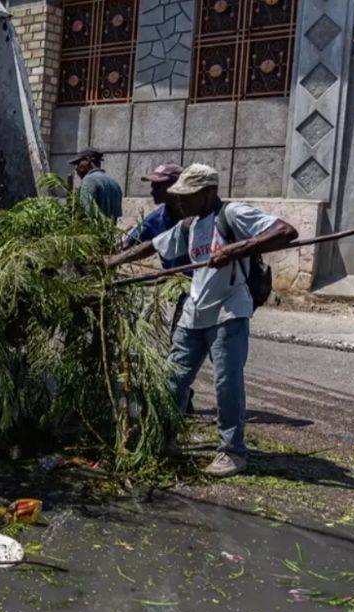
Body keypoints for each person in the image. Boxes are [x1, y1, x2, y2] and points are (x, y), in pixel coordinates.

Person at [104, 164, 297, 477]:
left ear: (207, 193)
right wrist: (112, 261)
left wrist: (237, 249)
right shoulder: (189, 225)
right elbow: (151, 245)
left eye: (187, 196)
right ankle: (164, 437)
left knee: (226, 381)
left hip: (229, 311)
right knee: (173, 380)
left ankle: (233, 452)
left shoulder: (232, 215)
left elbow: (286, 231)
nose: (180, 202)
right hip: (195, 311)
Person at [123, 163, 195, 414]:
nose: (152, 190)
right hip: (180, 290)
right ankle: (181, 399)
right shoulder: (158, 218)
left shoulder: (199, 215)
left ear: (175, 186)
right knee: (179, 345)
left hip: (208, 291)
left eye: (157, 185)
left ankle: (181, 397)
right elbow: (129, 244)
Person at [70, 148, 123, 220]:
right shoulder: (114, 183)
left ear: (88, 161)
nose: (76, 169)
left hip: (91, 230)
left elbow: (86, 213)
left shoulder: (89, 180)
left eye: (78, 163)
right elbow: (116, 215)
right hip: (110, 230)